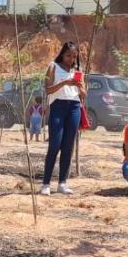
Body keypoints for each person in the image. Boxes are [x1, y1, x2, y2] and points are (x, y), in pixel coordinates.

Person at [40, 42, 85, 195]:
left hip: (74, 107)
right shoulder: (53, 66)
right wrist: (65, 82)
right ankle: (46, 183)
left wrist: (79, 86)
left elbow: (84, 95)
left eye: (74, 57)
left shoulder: (78, 70)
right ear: (62, 53)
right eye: (68, 55)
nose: (71, 59)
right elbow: (47, 89)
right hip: (58, 107)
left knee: (68, 146)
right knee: (55, 144)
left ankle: (62, 183)